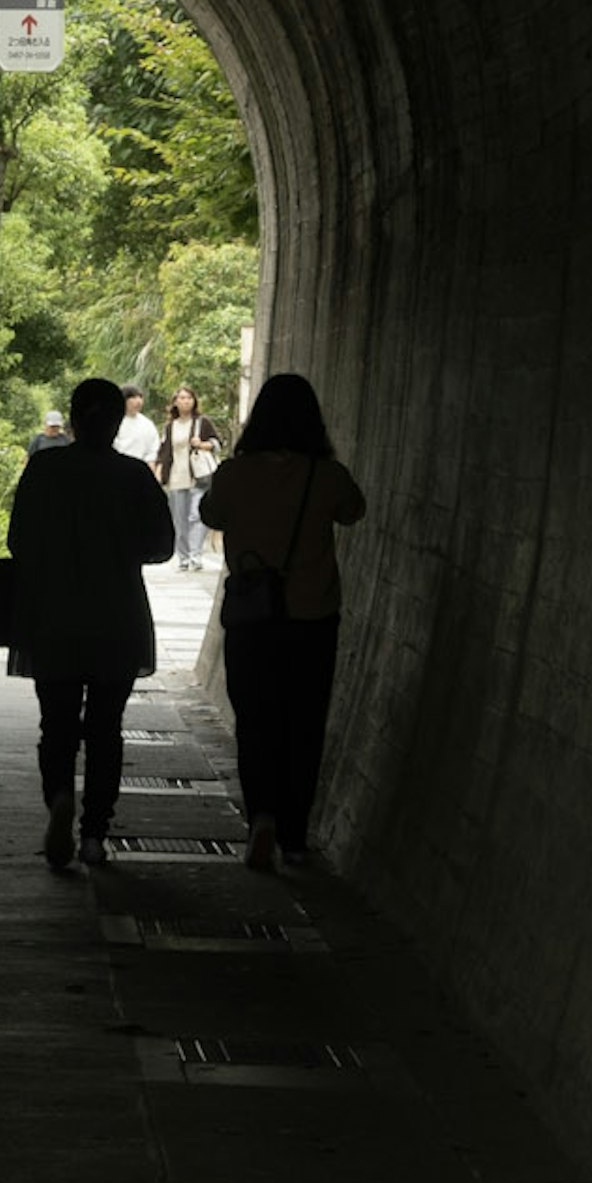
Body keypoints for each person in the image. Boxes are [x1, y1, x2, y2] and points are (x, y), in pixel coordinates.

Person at [3, 378, 175, 870]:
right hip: (117, 618)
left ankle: (59, 796)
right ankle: (95, 833)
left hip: (52, 616)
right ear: (118, 421)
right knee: (106, 730)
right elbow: (162, 546)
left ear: (74, 419)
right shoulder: (133, 476)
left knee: (56, 723)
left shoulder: (44, 468)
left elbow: (20, 541)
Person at [199, 372, 367, 871]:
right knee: (303, 724)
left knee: (255, 721)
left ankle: (262, 819)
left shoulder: (235, 474)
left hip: (253, 619)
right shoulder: (326, 476)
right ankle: (294, 835)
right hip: (313, 619)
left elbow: (211, 514)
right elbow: (353, 511)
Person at [155, 386, 224, 570]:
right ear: (175, 402)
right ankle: (183, 558)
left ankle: (196, 555)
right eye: (181, 398)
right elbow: (164, 451)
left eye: (189, 398)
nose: (185, 401)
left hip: (198, 476)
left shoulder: (202, 422)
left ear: (194, 401)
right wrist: (160, 471)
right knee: (179, 519)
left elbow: (217, 443)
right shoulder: (170, 426)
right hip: (177, 476)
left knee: (196, 516)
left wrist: (202, 444)